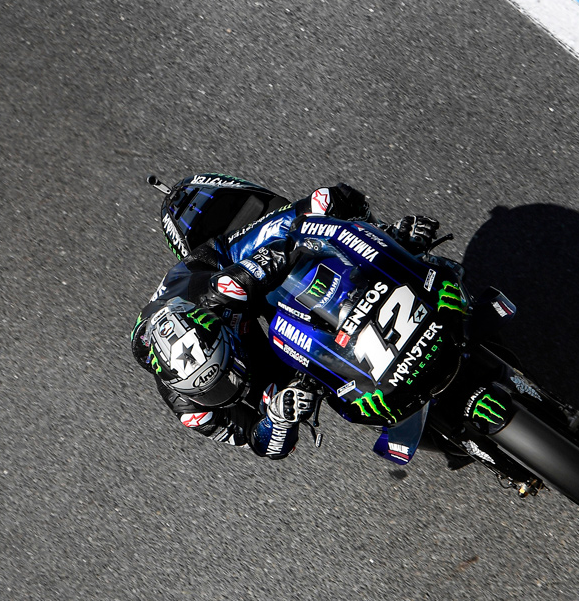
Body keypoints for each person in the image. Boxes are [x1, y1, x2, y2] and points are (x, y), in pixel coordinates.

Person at [129, 181, 439, 459]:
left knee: (329, 202)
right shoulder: (191, 409)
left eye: (224, 377)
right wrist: (277, 420)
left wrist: (373, 240)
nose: (229, 387)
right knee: (285, 394)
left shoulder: (218, 293)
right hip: (251, 352)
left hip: (229, 263)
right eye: (213, 390)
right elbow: (258, 442)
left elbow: (285, 251)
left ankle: (396, 243)